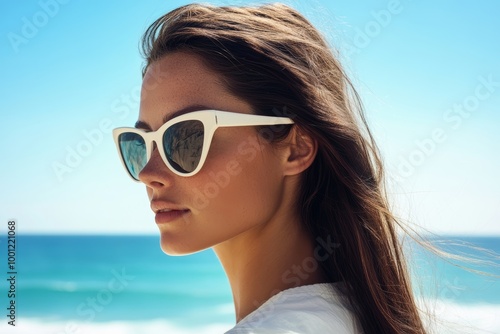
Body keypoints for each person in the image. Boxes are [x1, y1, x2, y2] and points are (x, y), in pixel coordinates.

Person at [112, 3, 427, 333]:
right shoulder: (347, 314)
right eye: (141, 142)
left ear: (295, 148)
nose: (149, 172)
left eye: (186, 136)